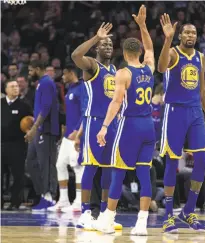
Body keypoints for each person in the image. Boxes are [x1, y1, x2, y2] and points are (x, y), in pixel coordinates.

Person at [95, 5, 155, 235]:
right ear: (139, 51)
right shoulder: (148, 68)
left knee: (118, 172)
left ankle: (108, 220)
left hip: (130, 126)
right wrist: (142, 26)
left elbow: (116, 103)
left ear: (123, 51)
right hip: (149, 126)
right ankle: (141, 223)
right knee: (144, 173)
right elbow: (150, 47)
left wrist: (104, 126)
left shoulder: (123, 73)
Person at [157, 13, 205, 233]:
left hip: (195, 110)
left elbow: (203, 89)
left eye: (194, 32)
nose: (190, 35)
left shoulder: (200, 57)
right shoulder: (173, 52)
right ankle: (168, 214)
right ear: (180, 35)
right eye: (186, 32)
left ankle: (188, 210)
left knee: (203, 158)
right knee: (172, 160)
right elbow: (160, 68)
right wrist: (167, 39)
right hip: (175, 110)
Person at [71, 22, 121, 230]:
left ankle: (103, 214)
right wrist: (96, 37)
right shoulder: (91, 65)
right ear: (97, 48)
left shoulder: (115, 69)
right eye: (104, 44)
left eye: (110, 43)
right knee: (91, 167)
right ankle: (85, 213)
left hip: (112, 123)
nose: (108, 46)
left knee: (109, 169)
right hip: (94, 121)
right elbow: (75, 56)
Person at [47, 65, 84, 212]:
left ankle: (79, 202)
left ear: (71, 73)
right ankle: (63, 200)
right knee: (60, 164)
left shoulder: (82, 88)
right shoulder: (70, 89)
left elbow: (85, 111)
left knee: (78, 167)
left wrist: (78, 132)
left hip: (76, 135)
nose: (62, 77)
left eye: (64, 74)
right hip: (67, 135)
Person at [26, 60, 59, 211]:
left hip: (46, 130)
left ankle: (49, 196)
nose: (29, 74)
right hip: (39, 129)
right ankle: (42, 193)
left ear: (38, 69)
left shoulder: (46, 83)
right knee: (31, 162)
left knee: (46, 164)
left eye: (30, 70)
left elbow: (45, 108)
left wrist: (34, 128)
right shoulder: (41, 83)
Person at [1, 80, 32, 210]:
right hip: (1, 144)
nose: (15, 88)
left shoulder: (24, 106)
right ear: (5, 90)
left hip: (17, 145)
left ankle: (15, 202)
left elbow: (31, 122)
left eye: (17, 86)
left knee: (18, 175)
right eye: (12, 86)